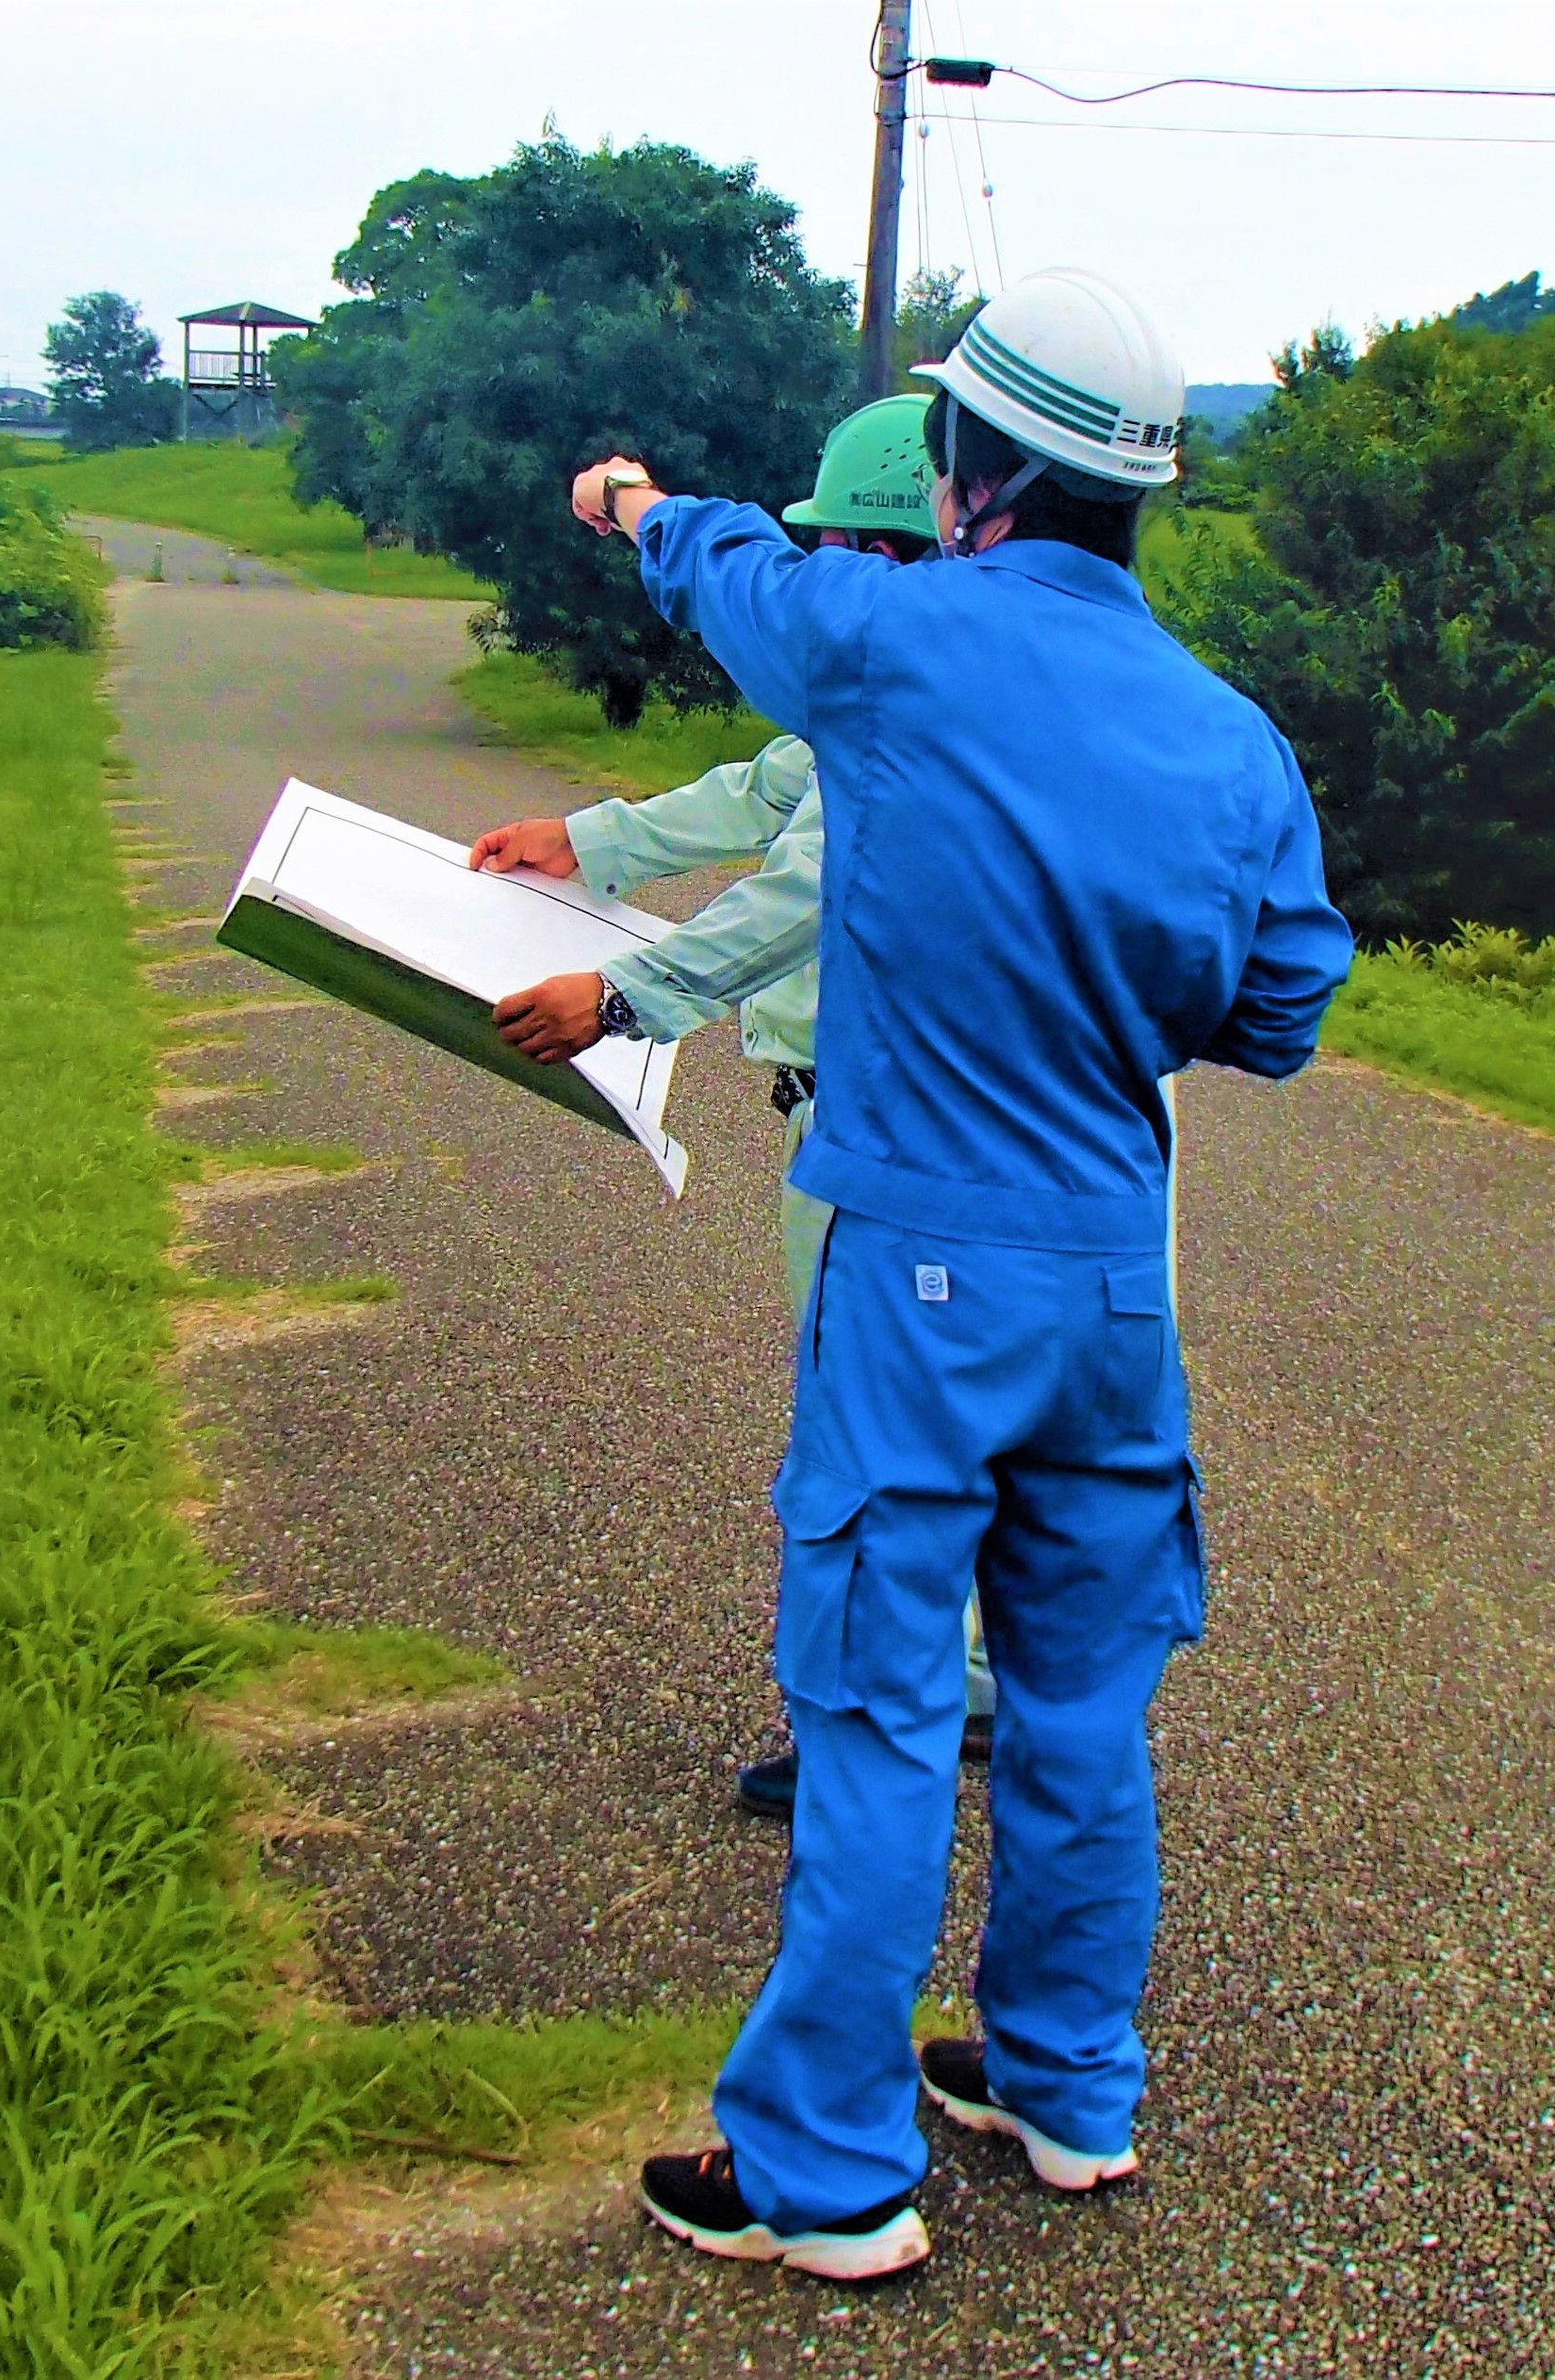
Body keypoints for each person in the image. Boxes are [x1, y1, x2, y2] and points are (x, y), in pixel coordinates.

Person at [569, 267, 1353, 2284]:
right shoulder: (1234, 734)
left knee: (882, 1705)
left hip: (919, 1261)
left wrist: (635, 502)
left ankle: (827, 2176)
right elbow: (1277, 1015)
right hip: (1115, 1289)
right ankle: (1064, 2085)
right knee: (1085, 1707)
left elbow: (729, 577)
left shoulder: (894, 641)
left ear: (967, 467)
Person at [466, 396, 995, 1823]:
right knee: (948, 1423)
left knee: (862, 1436)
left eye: (831, 545)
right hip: (938, 1122)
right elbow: (758, 789)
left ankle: (876, 1725)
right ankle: (967, 1681)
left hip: (878, 1130)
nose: (813, 574)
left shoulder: (902, 711)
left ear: (888, 553)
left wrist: (627, 996)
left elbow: (799, 889)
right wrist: (585, 839)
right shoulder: (916, 690)